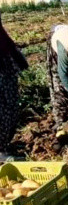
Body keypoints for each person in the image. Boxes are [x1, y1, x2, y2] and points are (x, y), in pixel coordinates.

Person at [0, 11, 29, 162]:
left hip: (4, 61)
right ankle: (1, 151)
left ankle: (3, 146)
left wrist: (15, 53)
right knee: (3, 109)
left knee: (11, 106)